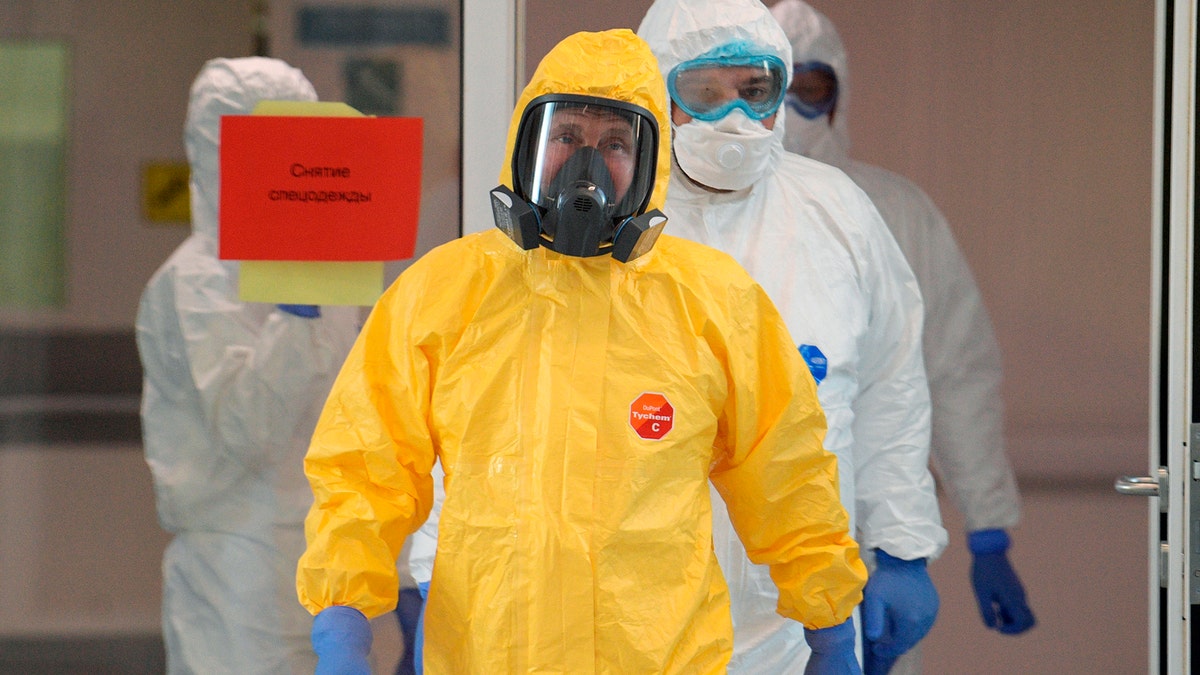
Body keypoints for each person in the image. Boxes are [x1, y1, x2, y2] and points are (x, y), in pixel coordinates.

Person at [294, 28, 868, 675]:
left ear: (649, 161)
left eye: (616, 143)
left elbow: (785, 466)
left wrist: (827, 619)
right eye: (566, 136)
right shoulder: (444, 294)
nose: (586, 163)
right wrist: (342, 618)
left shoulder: (714, 303)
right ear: (527, 144)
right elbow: (364, 469)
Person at [636, 1, 948, 673]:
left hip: (805, 619)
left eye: (756, 91)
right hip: (638, 618)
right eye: (703, 92)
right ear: (654, 90)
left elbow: (891, 385)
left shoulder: (834, 211)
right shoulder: (619, 223)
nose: (736, 118)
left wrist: (901, 547)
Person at [770, 0, 1037, 664]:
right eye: (779, 87)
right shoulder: (694, 219)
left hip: (866, 538)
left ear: (840, 94)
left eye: (814, 88)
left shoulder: (893, 212)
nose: (797, 107)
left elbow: (953, 370)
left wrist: (987, 529)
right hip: (734, 536)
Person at [136, 57, 361, 674]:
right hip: (234, 577)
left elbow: (362, 421)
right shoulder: (191, 284)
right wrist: (296, 318)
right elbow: (249, 431)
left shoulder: (331, 277)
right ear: (214, 153)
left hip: (329, 567)